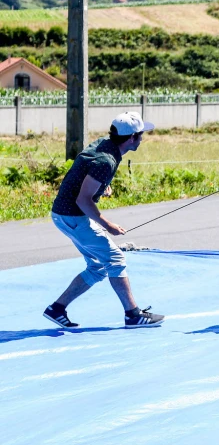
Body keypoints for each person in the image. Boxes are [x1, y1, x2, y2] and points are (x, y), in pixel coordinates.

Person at [43, 112, 164, 329]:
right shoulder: (106, 161)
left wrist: (100, 186)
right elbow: (82, 199)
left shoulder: (104, 145)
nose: (143, 139)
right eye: (141, 135)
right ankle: (133, 315)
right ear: (131, 138)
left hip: (62, 215)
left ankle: (57, 309)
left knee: (98, 266)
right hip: (73, 216)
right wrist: (109, 225)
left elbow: (84, 172)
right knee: (116, 260)